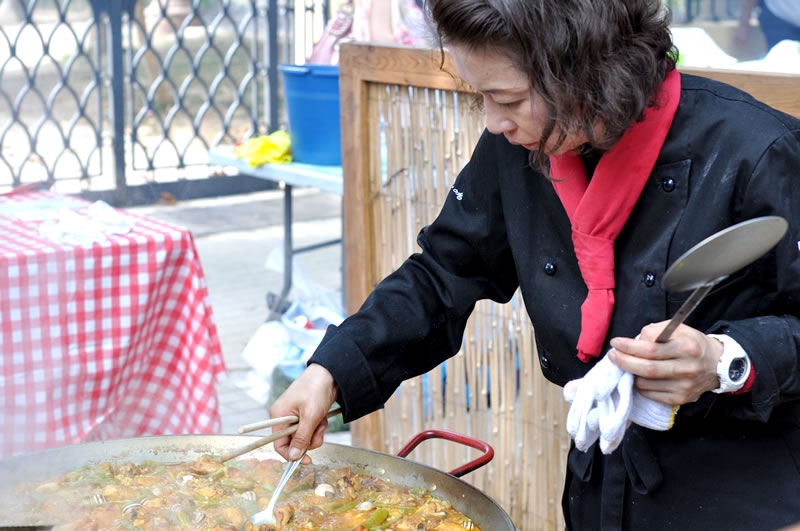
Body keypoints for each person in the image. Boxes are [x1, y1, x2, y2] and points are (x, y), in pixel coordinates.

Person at [269, 0, 800, 528]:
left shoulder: (757, 149)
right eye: (482, 96)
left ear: (588, 74)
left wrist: (726, 361)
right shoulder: (521, 146)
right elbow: (443, 274)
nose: (493, 121)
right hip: (599, 482)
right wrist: (331, 371)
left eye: (508, 99)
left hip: (745, 493)